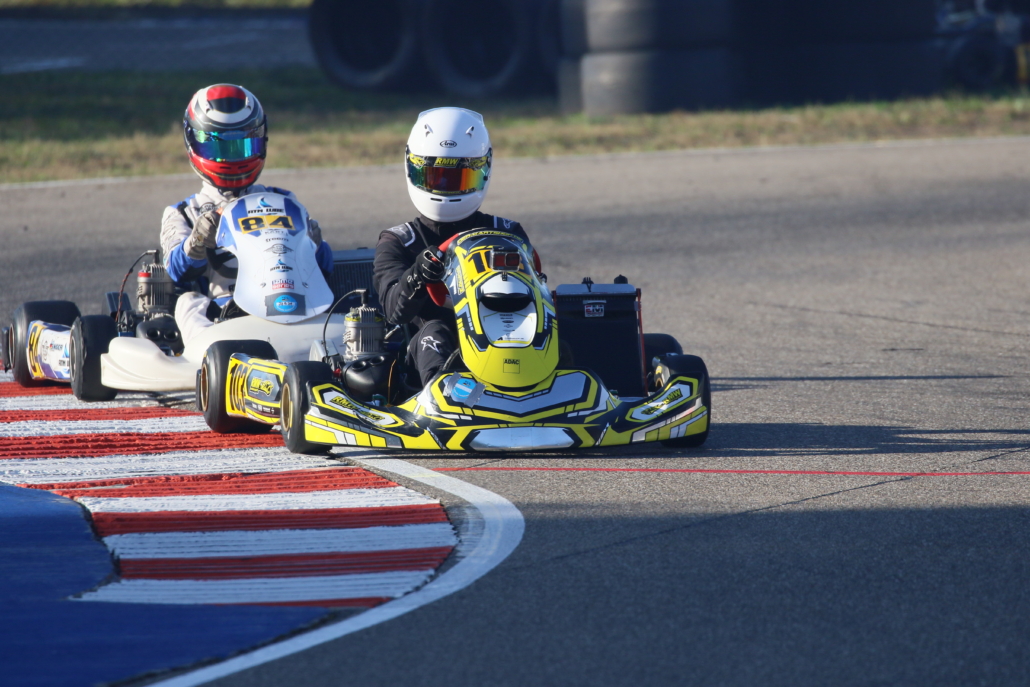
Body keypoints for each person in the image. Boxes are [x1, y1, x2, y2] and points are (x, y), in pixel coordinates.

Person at [160, 83, 333, 344]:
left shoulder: (283, 201)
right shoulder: (184, 213)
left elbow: (324, 270)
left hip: (286, 303)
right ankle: (208, 351)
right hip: (222, 314)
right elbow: (176, 273)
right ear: (194, 142)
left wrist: (315, 245)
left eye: (242, 145)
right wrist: (196, 242)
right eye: (219, 148)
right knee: (187, 301)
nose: (232, 158)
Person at [373, 107, 531, 387]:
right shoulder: (398, 241)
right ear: (413, 170)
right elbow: (394, 312)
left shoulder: (507, 234)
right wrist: (417, 276)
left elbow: (532, 294)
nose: (445, 188)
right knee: (435, 332)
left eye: (459, 179)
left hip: (504, 334)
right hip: (429, 349)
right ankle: (443, 398)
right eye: (435, 178)